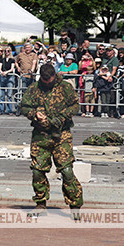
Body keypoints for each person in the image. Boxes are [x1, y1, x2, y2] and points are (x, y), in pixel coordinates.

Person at [19, 63, 82, 216]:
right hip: (41, 135)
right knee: (37, 171)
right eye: (45, 81)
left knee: (67, 171)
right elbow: (23, 107)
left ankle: (75, 206)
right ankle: (41, 204)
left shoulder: (65, 87)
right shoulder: (34, 88)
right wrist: (34, 114)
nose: (47, 84)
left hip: (62, 135)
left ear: (54, 76)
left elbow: (75, 106)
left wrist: (62, 116)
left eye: (50, 81)